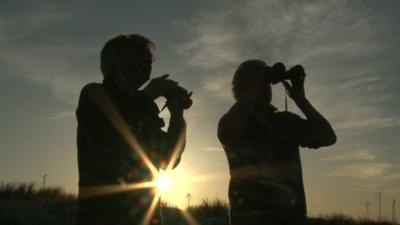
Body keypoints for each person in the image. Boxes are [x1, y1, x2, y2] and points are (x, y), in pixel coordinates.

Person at [76, 34, 191, 225]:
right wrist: (150, 93)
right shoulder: (93, 94)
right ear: (117, 62)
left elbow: (168, 160)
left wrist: (177, 116)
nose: (149, 62)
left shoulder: (143, 107)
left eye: (150, 58)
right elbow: (117, 124)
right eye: (141, 56)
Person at [217, 60, 336, 225]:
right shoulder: (234, 122)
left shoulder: (285, 122)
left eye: (266, 84)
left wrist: (301, 99)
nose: (265, 88)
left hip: (292, 218)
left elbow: (327, 136)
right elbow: (228, 133)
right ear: (244, 88)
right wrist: (256, 86)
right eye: (260, 83)